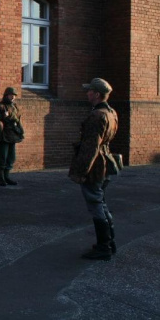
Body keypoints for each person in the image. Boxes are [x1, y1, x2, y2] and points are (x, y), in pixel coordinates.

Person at [68, 78, 119, 261]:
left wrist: (80, 172)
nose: (87, 93)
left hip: (96, 165)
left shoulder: (97, 116)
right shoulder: (110, 112)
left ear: (97, 94)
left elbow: (91, 147)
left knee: (96, 204)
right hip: (106, 162)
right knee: (101, 203)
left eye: (90, 91)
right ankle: (109, 242)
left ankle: (104, 246)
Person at [0, 87, 24, 186]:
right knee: (2, 157)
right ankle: (1, 178)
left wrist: (21, 131)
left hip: (13, 134)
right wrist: (8, 117)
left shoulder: (14, 106)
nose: (13, 97)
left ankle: (7, 177)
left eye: (14, 96)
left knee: (11, 157)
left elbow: (18, 119)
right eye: (11, 95)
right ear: (6, 95)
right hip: (3, 135)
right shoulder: (0, 106)